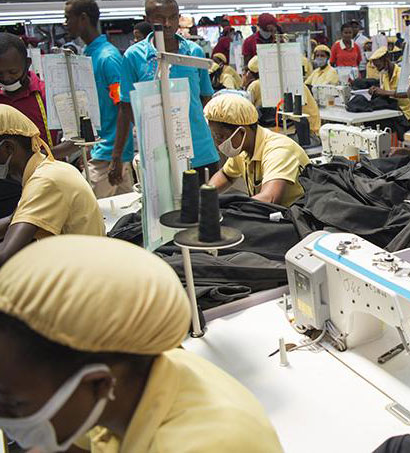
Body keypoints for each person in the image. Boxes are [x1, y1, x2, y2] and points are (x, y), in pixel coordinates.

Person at [0, 235, 283, 452]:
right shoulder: (130, 377)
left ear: (99, 385)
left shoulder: (212, 444)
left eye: (14, 404)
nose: (5, 417)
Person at [113, 0, 221, 186]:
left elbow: (206, 98)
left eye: (173, 17)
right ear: (148, 19)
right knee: (166, 214)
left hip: (200, 151)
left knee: (207, 211)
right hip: (158, 155)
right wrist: (119, 154)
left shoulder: (193, 53)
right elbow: (126, 106)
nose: (168, 24)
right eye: (160, 19)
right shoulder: (134, 57)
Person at [0, 105, 104, 267]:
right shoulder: (47, 170)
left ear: (8, 148)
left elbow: (5, 254)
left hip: (82, 278)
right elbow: (10, 222)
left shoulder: (46, 181)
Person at [64, 0, 133, 199]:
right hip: (102, 149)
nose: (65, 23)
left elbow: (123, 107)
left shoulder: (108, 58)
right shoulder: (91, 55)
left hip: (109, 153)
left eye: (68, 18)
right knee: (125, 217)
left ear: (83, 18)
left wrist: (117, 156)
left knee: (89, 215)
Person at [205, 94, 309, 207]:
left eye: (220, 137)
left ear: (241, 132)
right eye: (214, 137)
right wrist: (206, 194)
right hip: (274, 214)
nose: (218, 143)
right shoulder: (242, 149)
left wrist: (231, 209)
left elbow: (270, 198)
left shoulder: (278, 151)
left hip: (299, 217)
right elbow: (226, 175)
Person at [0, 33, 73, 158]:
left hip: (45, 170)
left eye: (13, 72)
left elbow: (77, 140)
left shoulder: (49, 95)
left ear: (27, 64)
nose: (6, 78)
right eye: (0, 74)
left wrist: (42, 157)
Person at [367, 46, 410, 122]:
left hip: (404, 114)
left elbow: (409, 93)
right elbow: (384, 93)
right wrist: (375, 91)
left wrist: (385, 92)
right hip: (392, 111)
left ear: (387, 59)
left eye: (378, 66)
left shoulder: (402, 74)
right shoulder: (384, 75)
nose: (378, 69)